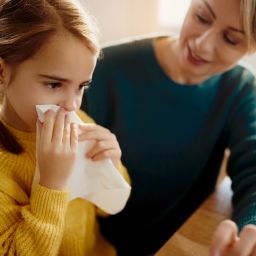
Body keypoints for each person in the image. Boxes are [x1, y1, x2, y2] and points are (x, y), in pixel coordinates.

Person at [83, 0, 256, 255]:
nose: (202, 44)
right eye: (201, 17)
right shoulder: (100, 68)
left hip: (179, 244)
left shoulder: (239, 90)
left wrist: (250, 231)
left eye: (231, 39)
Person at [0, 0, 130, 255]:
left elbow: (109, 207)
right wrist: (51, 184)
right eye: (54, 85)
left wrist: (112, 165)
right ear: (2, 72)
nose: (71, 105)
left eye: (82, 86)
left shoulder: (80, 122)